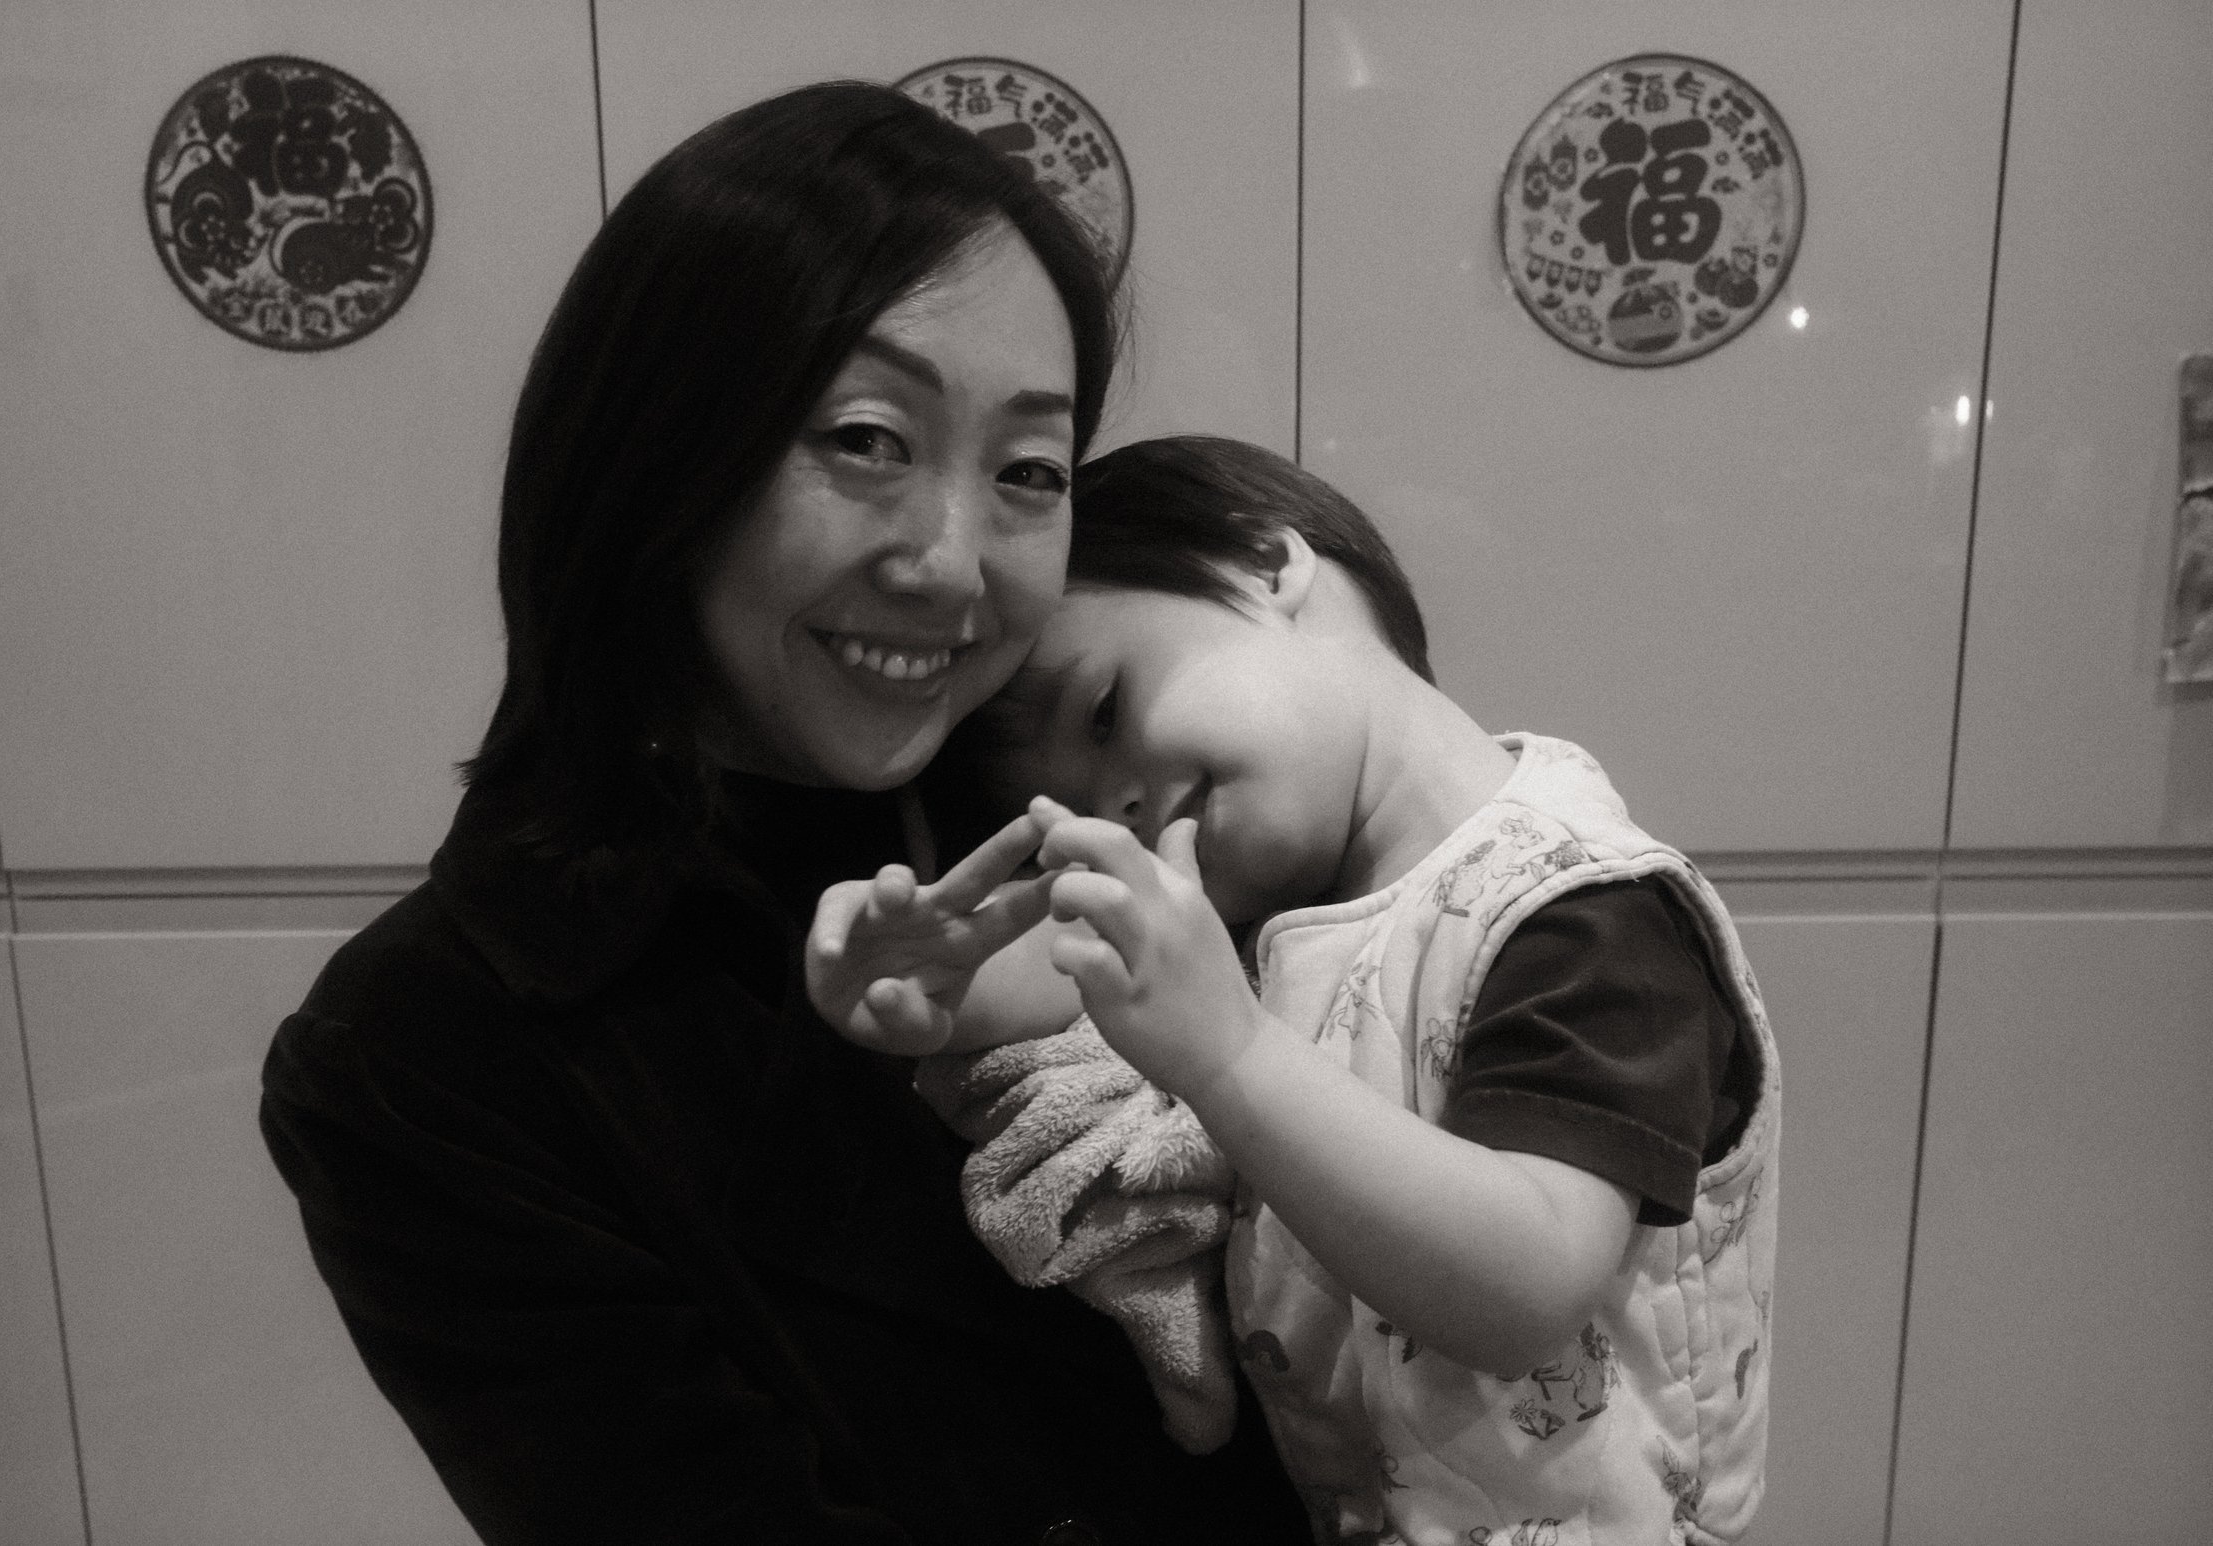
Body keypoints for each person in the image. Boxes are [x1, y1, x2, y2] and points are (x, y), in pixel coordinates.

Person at [258, 86, 1310, 1546]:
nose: (951, 564)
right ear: (660, 456)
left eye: (1026, 473)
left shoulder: (1117, 807)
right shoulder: (435, 1048)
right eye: (867, 438)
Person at [810, 436, 1781, 1545]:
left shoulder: (1578, 906)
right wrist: (939, 982)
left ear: (1264, 565)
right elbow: (1080, 973)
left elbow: (1528, 1283)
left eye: (1103, 713)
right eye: (1076, 810)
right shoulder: (1287, 907)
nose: (1121, 805)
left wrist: (1226, 1056)